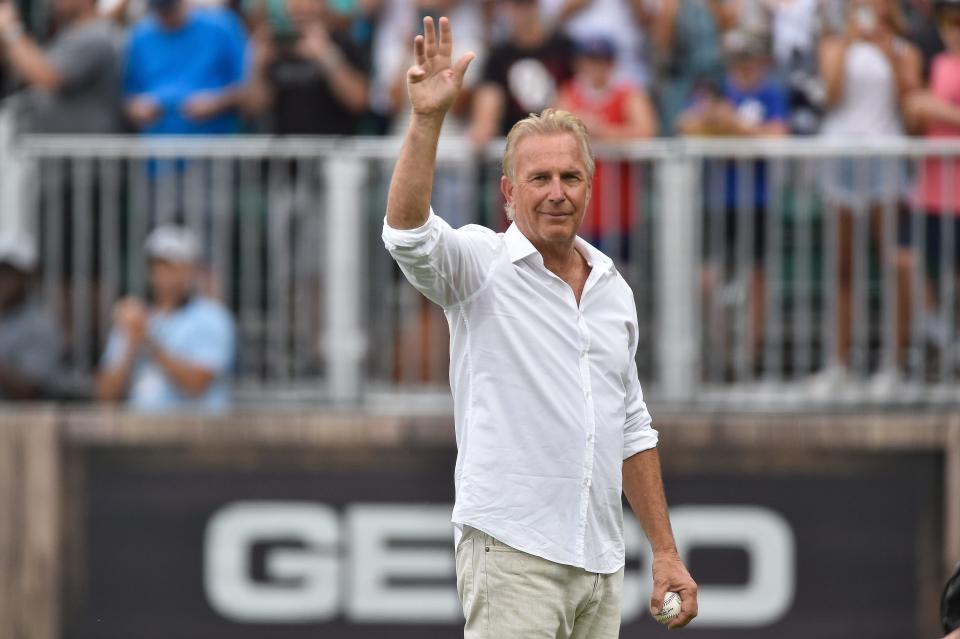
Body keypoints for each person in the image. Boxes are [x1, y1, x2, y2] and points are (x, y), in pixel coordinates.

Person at [383, 16, 697, 637]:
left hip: (600, 563)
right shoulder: (480, 264)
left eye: (570, 177)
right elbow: (407, 235)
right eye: (540, 178)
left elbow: (630, 425)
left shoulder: (613, 288)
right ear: (508, 191)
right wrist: (426, 121)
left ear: (590, 186)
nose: (557, 193)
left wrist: (663, 551)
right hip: (513, 552)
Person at [815, 0, 921, 386]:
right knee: (842, 266)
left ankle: (894, 364)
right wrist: (847, 44)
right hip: (841, 156)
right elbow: (831, 94)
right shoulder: (833, 43)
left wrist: (884, 49)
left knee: (893, 262)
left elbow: (910, 105)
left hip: (885, 157)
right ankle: (838, 363)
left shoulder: (902, 48)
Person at [676, 27, 788, 374]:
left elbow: (780, 136)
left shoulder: (771, 93)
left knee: (756, 276)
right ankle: (718, 352)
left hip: (755, 199)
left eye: (749, 61)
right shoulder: (715, 90)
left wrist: (734, 128)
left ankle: (749, 358)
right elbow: (687, 125)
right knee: (708, 277)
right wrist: (731, 127)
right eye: (738, 62)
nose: (744, 69)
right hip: (717, 198)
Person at [96, 225, 236, 413]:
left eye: (172, 266)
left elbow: (196, 384)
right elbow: (105, 396)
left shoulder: (213, 317)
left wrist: (148, 342)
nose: (164, 274)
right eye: (158, 265)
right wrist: (130, 347)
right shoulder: (134, 317)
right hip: (138, 435)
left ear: (190, 269)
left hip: (195, 436)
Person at [555, 34, 656, 260]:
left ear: (612, 64)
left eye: (602, 60)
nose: (595, 67)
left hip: (619, 211)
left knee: (620, 274)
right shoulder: (568, 92)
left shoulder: (627, 93)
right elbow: (556, 131)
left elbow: (646, 132)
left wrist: (599, 131)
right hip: (579, 211)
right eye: (590, 60)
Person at [902, 0, 960, 369]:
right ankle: (940, 332)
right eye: (947, 22)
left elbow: (930, 108)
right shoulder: (937, 63)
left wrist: (938, 109)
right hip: (932, 189)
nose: (952, 28)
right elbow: (914, 116)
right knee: (911, 261)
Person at [243, 0, 370, 135]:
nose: (302, 7)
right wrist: (257, 66)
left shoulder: (342, 41)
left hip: (336, 149)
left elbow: (360, 101)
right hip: (284, 151)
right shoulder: (275, 44)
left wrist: (327, 56)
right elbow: (254, 108)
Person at [122, 0, 247, 135]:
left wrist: (217, 102)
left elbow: (248, 91)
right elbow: (128, 96)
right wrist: (138, 108)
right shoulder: (139, 36)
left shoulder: (222, 26)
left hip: (213, 147)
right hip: (157, 148)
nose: (166, 19)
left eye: (171, 10)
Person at [0, 0, 122, 133]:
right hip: (47, 146)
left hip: (80, 149)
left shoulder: (97, 36)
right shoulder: (69, 32)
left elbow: (47, 76)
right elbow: (24, 66)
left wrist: (11, 30)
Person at [468, 0, 575, 149]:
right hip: (515, 144)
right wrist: (484, 126)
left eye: (528, 4)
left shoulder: (564, 48)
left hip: (557, 140)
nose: (524, 11)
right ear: (508, 8)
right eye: (518, 5)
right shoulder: (499, 56)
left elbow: (576, 94)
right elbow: (489, 98)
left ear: (537, 6)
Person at [0, 233, 64, 401]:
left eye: (10, 273)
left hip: (19, 424)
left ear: (28, 276)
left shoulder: (41, 325)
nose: (3, 279)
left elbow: (31, 388)